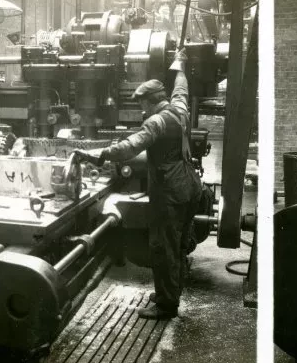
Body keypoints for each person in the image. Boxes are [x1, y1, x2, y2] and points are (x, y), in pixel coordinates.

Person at [75, 49, 202, 320]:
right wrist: (180, 64)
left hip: (170, 191)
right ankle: (171, 291)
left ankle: (166, 305)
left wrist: (98, 154)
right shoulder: (179, 108)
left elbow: (130, 146)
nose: (142, 109)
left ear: (151, 101)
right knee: (179, 245)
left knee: (164, 247)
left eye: (142, 104)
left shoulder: (156, 122)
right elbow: (181, 87)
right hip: (190, 185)